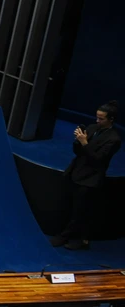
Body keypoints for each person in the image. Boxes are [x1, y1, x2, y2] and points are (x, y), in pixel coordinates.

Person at [52, 100, 121, 251]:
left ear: (111, 119)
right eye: (97, 117)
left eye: (101, 118)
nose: (97, 121)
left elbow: (98, 160)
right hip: (76, 171)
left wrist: (84, 143)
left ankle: (74, 238)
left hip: (90, 178)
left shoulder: (114, 139)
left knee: (81, 211)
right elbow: (78, 152)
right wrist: (78, 141)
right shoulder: (91, 128)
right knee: (71, 207)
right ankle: (67, 234)